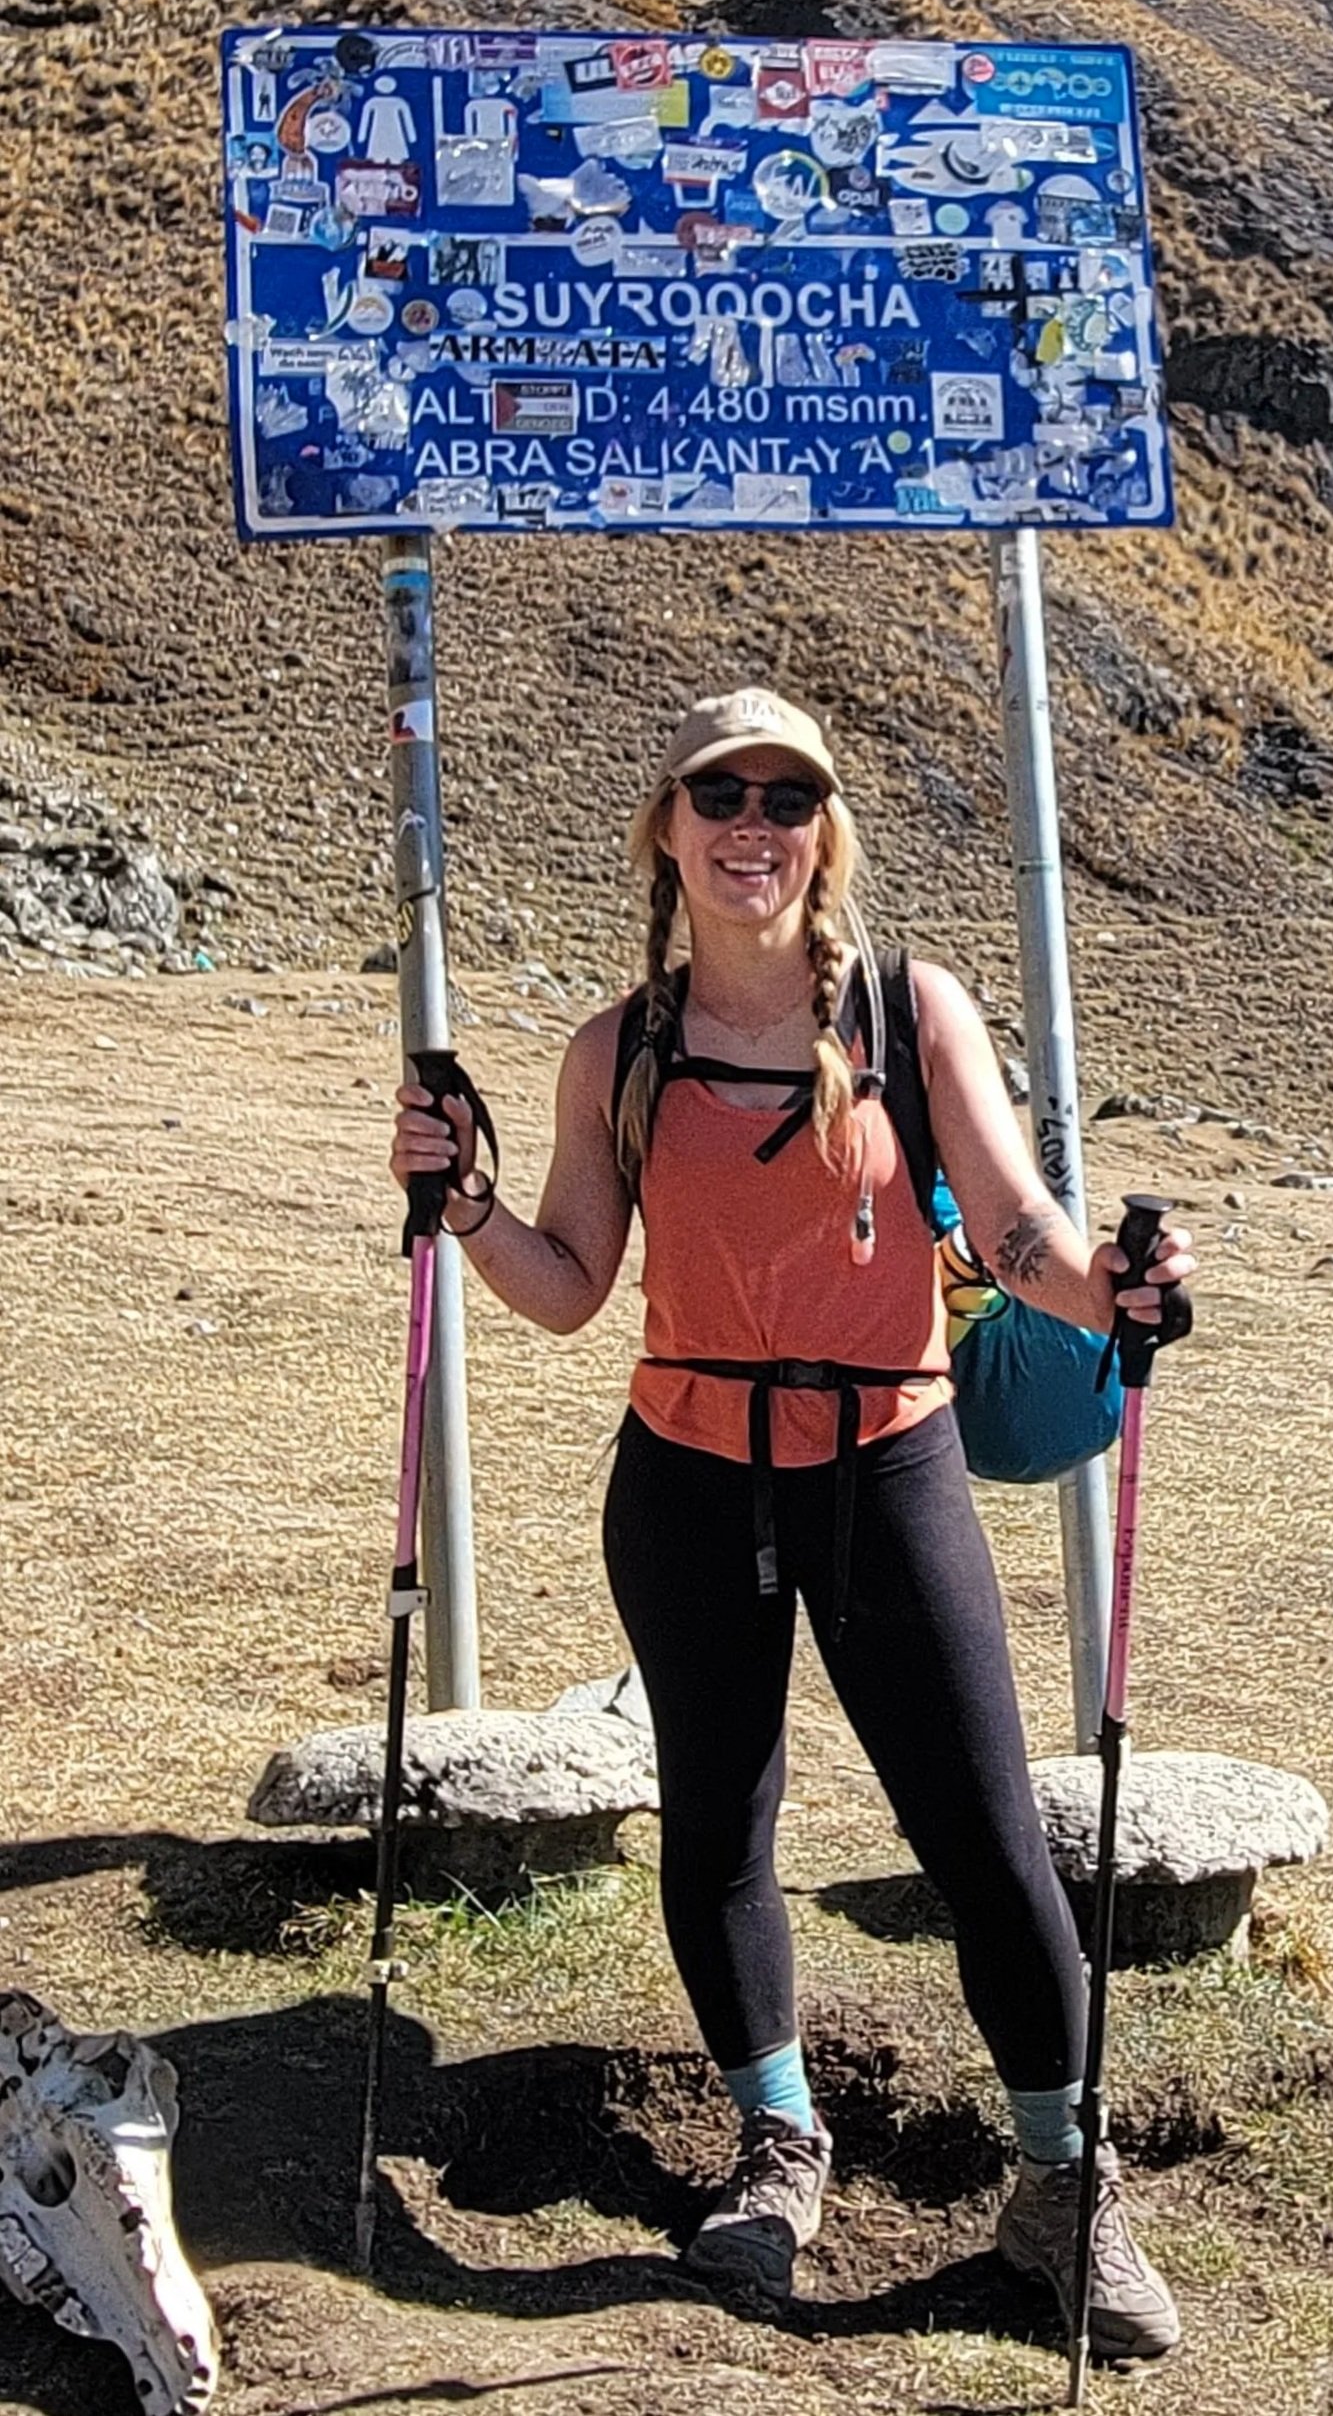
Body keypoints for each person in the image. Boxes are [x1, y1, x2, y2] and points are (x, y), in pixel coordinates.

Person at [390, 688, 1195, 2352]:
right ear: (668, 831)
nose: (753, 825)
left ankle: (1064, 2185)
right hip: (685, 1482)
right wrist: (463, 1206)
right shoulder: (617, 1051)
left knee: (987, 1840)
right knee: (719, 1831)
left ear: (825, 831)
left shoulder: (912, 1011)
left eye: (787, 798)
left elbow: (1022, 1231)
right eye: (721, 796)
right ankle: (778, 2143)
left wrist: (1112, 1287)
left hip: (889, 1470)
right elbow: (570, 1284)